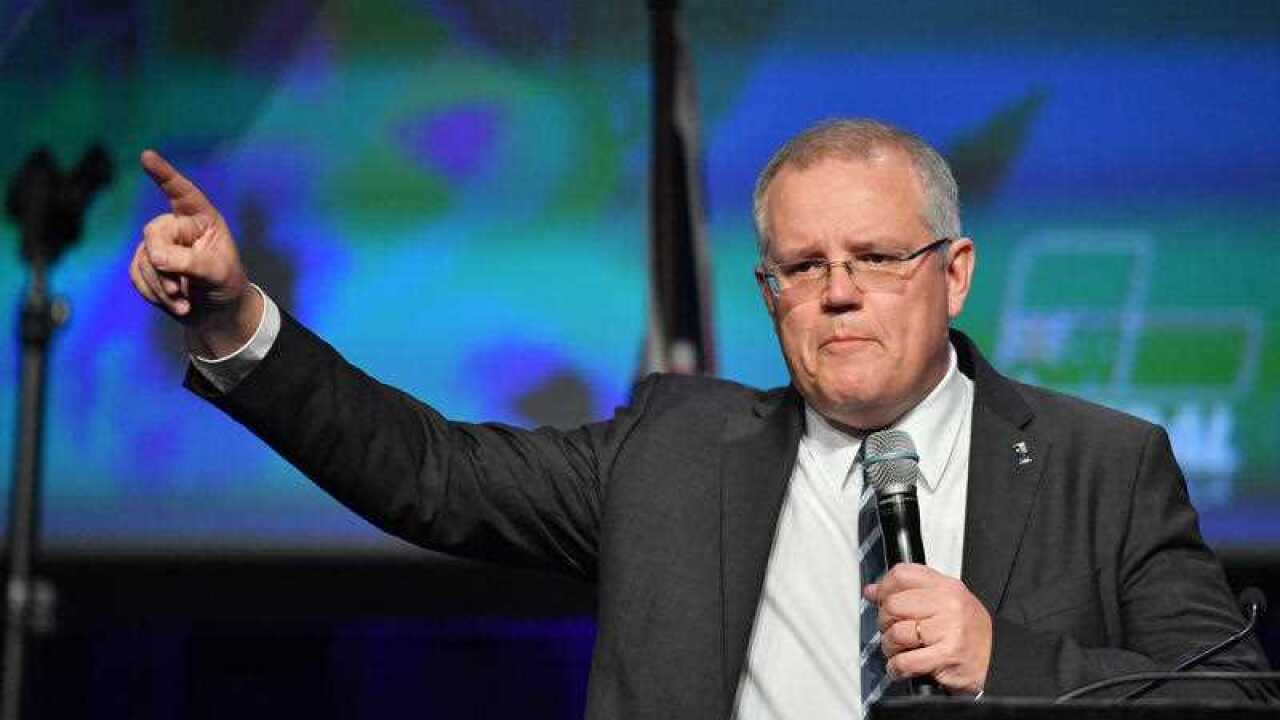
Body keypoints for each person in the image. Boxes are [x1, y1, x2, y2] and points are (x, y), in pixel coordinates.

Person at [129, 119, 1273, 718]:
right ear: (768, 292)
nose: (837, 290)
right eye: (801, 265)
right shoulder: (671, 451)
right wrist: (237, 318)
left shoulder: (1102, 465)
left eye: (875, 258)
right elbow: (428, 473)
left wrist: (1003, 662)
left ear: (954, 271)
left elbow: (1228, 703)